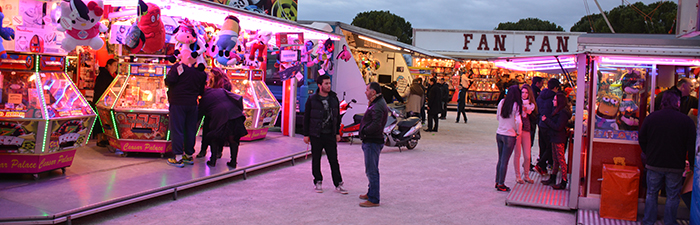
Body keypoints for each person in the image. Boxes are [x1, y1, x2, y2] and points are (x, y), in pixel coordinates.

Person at [640, 92, 696, 225]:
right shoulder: (686, 121)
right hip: (675, 165)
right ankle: (670, 222)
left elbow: (642, 138)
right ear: (677, 103)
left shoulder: (652, 118)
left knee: (651, 193)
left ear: (662, 103)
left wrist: (649, 153)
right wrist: (693, 165)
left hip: (654, 163)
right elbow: (692, 145)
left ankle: (648, 221)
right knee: (672, 196)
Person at [302, 75, 347, 194]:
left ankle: (338, 183)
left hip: (330, 134)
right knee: (316, 159)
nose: (328, 86)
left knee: (333, 160)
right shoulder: (312, 99)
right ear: (319, 85)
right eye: (326, 84)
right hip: (316, 134)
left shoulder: (333, 98)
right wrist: (306, 134)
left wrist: (337, 132)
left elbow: (337, 117)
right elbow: (306, 118)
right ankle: (318, 181)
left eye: (329, 83)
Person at [165, 48, 207, 168]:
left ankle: (178, 157)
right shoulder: (201, 72)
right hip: (192, 103)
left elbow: (169, 81)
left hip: (178, 103)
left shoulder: (178, 68)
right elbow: (201, 90)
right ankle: (188, 155)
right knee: (190, 129)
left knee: (177, 129)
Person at [198, 68, 247, 168]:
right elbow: (236, 98)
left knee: (214, 137)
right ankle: (233, 162)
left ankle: (212, 161)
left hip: (221, 117)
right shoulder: (222, 89)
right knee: (233, 139)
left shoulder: (206, 96)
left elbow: (200, 113)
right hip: (235, 114)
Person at [358, 82, 388, 207]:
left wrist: (364, 132)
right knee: (370, 168)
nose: (365, 92)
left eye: (367, 90)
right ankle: (371, 192)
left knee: (372, 170)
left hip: (372, 141)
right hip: (372, 140)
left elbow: (376, 124)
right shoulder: (377, 102)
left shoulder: (377, 105)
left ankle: (374, 199)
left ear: (373, 92)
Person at [540, 92, 571, 189]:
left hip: (559, 138)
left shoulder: (562, 113)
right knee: (555, 159)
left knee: (561, 159)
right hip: (554, 137)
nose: (553, 101)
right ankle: (552, 177)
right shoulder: (557, 110)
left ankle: (564, 180)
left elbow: (558, 127)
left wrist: (547, 121)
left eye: (555, 100)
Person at [495, 85, 522, 192]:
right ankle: (501, 183)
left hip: (499, 133)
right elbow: (519, 121)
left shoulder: (502, 102)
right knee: (505, 160)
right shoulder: (516, 105)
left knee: (500, 159)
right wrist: (518, 132)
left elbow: (498, 116)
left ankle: (497, 181)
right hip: (509, 135)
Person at [535, 78, 560, 176]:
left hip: (541, 124)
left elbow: (537, 110)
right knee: (550, 147)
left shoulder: (540, 96)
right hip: (549, 124)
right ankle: (540, 164)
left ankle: (543, 168)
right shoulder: (554, 98)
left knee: (543, 146)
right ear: (555, 87)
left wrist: (539, 120)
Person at [513, 84, 537, 184]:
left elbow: (534, 116)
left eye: (526, 93)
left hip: (527, 130)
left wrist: (527, 111)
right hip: (518, 131)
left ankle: (526, 175)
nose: (524, 95)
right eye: (523, 92)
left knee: (527, 156)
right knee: (517, 154)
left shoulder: (532, 105)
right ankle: (518, 176)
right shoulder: (516, 104)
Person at [92, 58, 117, 147]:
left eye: (116, 65)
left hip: (109, 101)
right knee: (99, 120)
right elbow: (100, 89)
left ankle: (105, 138)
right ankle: (99, 140)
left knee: (106, 120)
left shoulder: (114, 75)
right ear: (108, 65)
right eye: (114, 65)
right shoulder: (103, 75)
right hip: (101, 101)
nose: (116, 67)